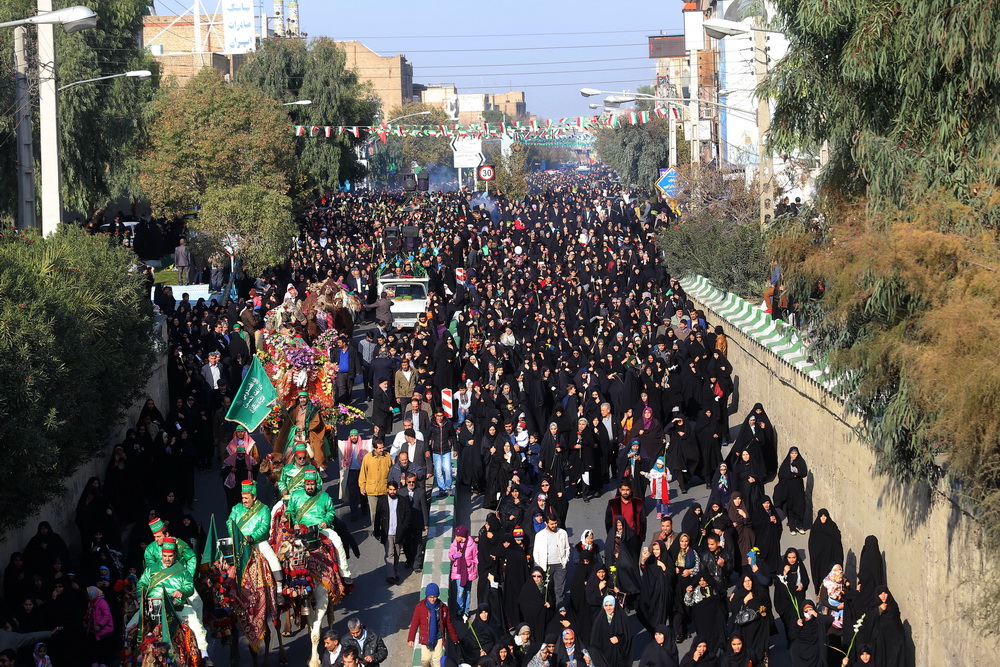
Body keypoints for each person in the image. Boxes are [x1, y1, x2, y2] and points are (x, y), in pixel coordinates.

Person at [133, 538, 212, 665]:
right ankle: (130, 658)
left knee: (198, 627)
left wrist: (182, 591)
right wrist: (139, 596)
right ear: (161, 555)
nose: (167, 559)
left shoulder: (183, 571)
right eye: (165, 556)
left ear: (175, 555)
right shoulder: (151, 569)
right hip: (152, 607)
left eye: (170, 556)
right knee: (130, 627)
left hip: (176, 608)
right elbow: (141, 583)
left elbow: (189, 587)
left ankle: (204, 654)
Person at [285, 471, 353, 580]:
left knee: (338, 542)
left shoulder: (324, 496)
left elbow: (331, 511)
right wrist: (295, 523)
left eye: (312, 484)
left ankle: (345, 572)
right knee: (284, 550)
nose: (310, 487)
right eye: (308, 484)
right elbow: (290, 512)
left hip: (320, 529)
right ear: (304, 484)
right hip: (301, 531)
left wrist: (326, 521)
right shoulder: (295, 495)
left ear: (316, 484)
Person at [225, 480, 284, 593]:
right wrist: (236, 536)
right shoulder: (236, 508)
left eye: (247, 498)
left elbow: (265, 527)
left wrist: (251, 537)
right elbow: (229, 523)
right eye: (243, 498)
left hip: (258, 542)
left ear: (254, 497)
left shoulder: (264, 509)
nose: (244, 501)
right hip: (239, 542)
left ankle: (279, 587)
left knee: (272, 557)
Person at [407, 583, 459, 667]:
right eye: (430, 597)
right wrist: (410, 639)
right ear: (427, 596)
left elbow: (448, 624)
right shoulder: (420, 607)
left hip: (438, 638)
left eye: (434, 597)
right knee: (425, 659)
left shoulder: (443, 608)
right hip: (425, 638)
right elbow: (414, 624)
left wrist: (455, 638)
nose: (432, 599)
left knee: (437, 661)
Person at [374, 480, 410, 584]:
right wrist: (377, 532)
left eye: (394, 490)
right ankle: (391, 575)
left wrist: (403, 527)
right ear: (387, 490)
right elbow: (378, 517)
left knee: (397, 553)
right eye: (390, 489)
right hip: (387, 532)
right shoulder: (382, 501)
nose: (392, 492)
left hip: (398, 532)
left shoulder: (402, 501)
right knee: (389, 553)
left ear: (397, 489)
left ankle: (395, 571)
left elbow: (408, 514)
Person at [532, 517, 570, 606]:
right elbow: (536, 552)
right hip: (545, 566)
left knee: (559, 589)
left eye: (555, 523)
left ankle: (559, 609)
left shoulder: (562, 533)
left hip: (560, 565)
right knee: (546, 589)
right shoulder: (540, 535)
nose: (554, 525)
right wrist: (538, 567)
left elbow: (567, 548)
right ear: (546, 523)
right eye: (552, 524)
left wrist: (565, 560)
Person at [808, 509, 844, 595]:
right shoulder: (815, 528)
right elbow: (812, 544)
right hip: (820, 559)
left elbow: (837, 538)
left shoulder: (832, 526)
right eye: (821, 516)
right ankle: (821, 594)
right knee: (821, 577)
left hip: (832, 557)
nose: (823, 518)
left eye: (825, 516)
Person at [589, 596, 632, 667]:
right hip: (604, 656)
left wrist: (619, 639)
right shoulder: (599, 620)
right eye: (606, 605)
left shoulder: (621, 618)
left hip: (619, 656)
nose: (608, 608)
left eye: (611, 605)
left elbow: (627, 636)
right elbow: (595, 639)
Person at [774, 447, 809, 534]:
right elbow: (782, 474)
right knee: (790, 507)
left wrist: (794, 475)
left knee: (800, 507)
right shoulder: (786, 463)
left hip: (798, 489)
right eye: (792, 453)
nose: (794, 455)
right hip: (789, 489)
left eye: (795, 453)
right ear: (789, 454)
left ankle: (799, 525)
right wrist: (794, 475)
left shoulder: (801, 462)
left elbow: (804, 473)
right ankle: (792, 527)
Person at [448, 525, 479, 619]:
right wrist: (456, 555)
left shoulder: (472, 545)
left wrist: (476, 564)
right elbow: (450, 555)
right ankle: (459, 609)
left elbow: (475, 557)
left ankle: (466, 610)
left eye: (457, 536)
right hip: (458, 572)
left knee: (468, 592)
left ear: (462, 537)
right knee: (460, 591)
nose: (456, 538)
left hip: (469, 571)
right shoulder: (454, 544)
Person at [359, 438, 391, 524]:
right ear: (375, 449)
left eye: (383, 447)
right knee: (374, 513)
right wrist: (362, 486)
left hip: (384, 489)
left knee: (385, 512)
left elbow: (392, 471)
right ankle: (376, 530)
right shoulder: (367, 458)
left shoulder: (388, 456)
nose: (382, 450)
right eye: (380, 448)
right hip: (372, 490)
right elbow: (363, 473)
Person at [84, 586, 114, 667]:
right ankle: (95, 661)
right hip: (93, 629)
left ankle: (103, 662)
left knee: (103, 647)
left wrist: (100, 625)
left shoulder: (102, 603)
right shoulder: (90, 603)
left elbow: (107, 616)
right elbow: (89, 614)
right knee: (94, 647)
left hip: (103, 629)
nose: (87, 596)